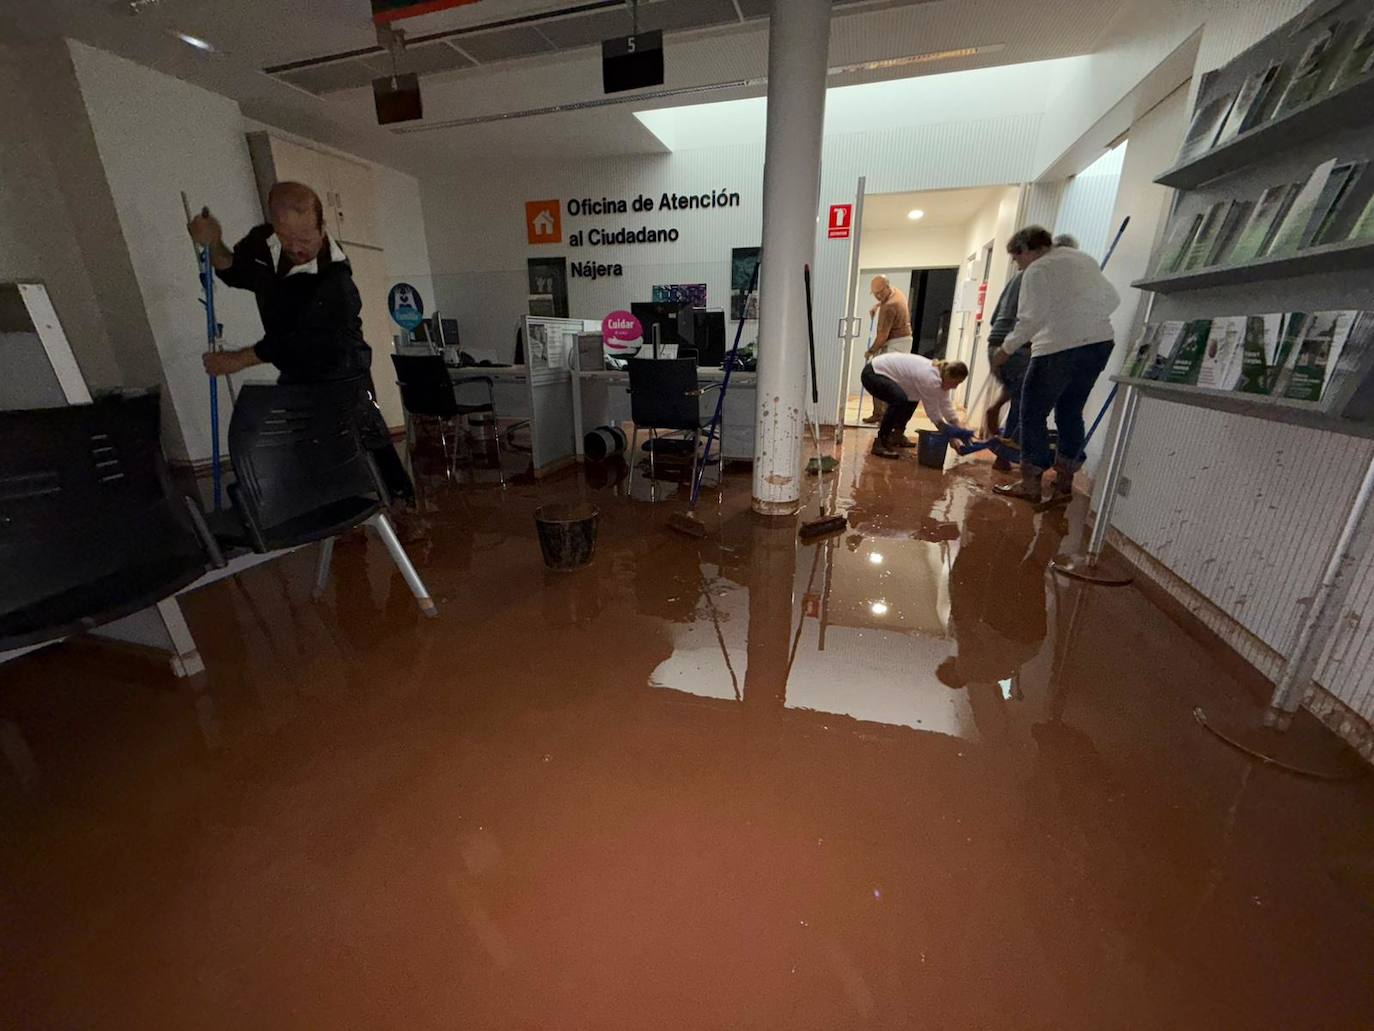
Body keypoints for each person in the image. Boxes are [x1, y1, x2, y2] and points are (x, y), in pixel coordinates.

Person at [188, 182, 421, 526]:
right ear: (273, 226)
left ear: (322, 228)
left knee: (366, 436)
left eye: (305, 239)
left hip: (342, 368)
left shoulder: (335, 280)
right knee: (307, 442)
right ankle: (334, 512)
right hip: (297, 370)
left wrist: (236, 360)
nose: (296, 248)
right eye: (286, 238)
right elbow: (236, 273)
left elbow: (295, 340)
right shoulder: (264, 243)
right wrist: (212, 242)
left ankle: (403, 506)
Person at [990, 225, 1120, 504]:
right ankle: (1064, 481)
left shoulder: (1037, 270)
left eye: (1016, 258)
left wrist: (1005, 350)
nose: (1017, 265)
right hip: (1099, 345)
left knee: (1032, 410)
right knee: (1070, 412)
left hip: (1057, 349)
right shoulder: (1083, 259)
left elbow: (1030, 320)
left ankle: (1031, 482)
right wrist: (1082, 319)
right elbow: (1113, 299)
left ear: (1026, 250)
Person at [860, 351, 971, 459]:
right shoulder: (930, 378)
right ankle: (881, 442)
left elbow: (946, 406)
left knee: (912, 397)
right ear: (948, 376)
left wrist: (960, 428)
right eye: (955, 383)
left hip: (884, 373)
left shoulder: (942, 376)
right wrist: (950, 436)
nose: (955, 387)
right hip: (873, 374)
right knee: (899, 400)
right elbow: (934, 414)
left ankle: (897, 435)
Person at [861, 275, 914, 424]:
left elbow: (883, 336)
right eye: (875, 294)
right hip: (902, 341)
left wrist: (870, 351)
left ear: (887, 286)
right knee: (882, 378)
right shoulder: (896, 292)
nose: (878, 296)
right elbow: (885, 301)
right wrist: (877, 306)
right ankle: (878, 414)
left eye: (880, 292)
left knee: (881, 379)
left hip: (895, 344)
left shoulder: (890, 306)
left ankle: (884, 417)